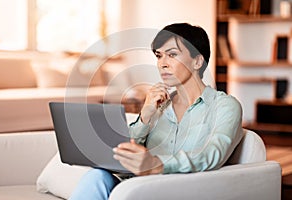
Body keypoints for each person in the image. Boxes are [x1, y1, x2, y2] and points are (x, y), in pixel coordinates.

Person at [69, 22, 243, 200]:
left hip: (175, 191)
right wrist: (145, 116)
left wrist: (157, 164)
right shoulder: (159, 105)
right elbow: (124, 153)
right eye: (159, 56)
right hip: (133, 187)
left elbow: (213, 153)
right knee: (96, 176)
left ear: (197, 61)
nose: (162, 64)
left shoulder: (224, 106)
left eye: (172, 55)